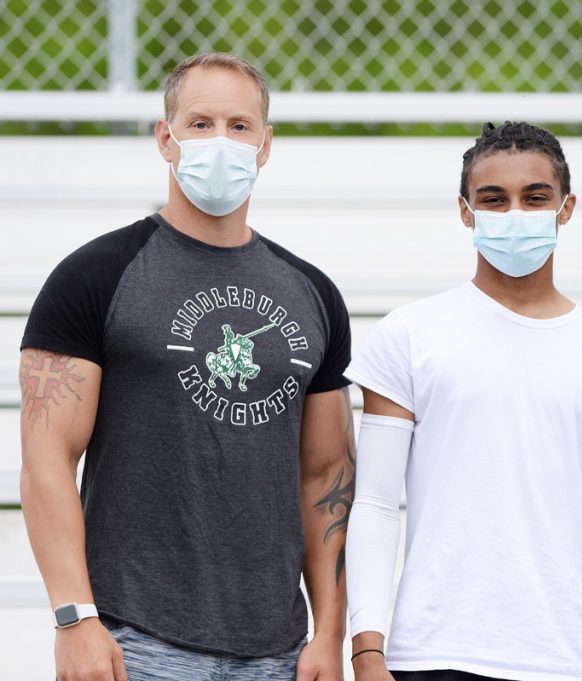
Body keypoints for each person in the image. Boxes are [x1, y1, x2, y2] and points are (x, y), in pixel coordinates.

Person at [19, 52, 353, 681]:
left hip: (280, 649)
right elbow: (45, 462)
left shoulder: (313, 292)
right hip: (133, 640)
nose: (220, 141)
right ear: (165, 138)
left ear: (266, 144)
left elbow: (326, 476)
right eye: (200, 124)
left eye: (239, 125)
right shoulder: (94, 276)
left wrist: (328, 633)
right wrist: (75, 618)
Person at [344, 121, 582, 681]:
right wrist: (367, 651)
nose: (515, 213)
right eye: (494, 200)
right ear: (466, 212)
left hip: (567, 662)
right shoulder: (410, 335)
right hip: (431, 656)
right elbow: (373, 502)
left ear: (566, 208)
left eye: (534, 197)